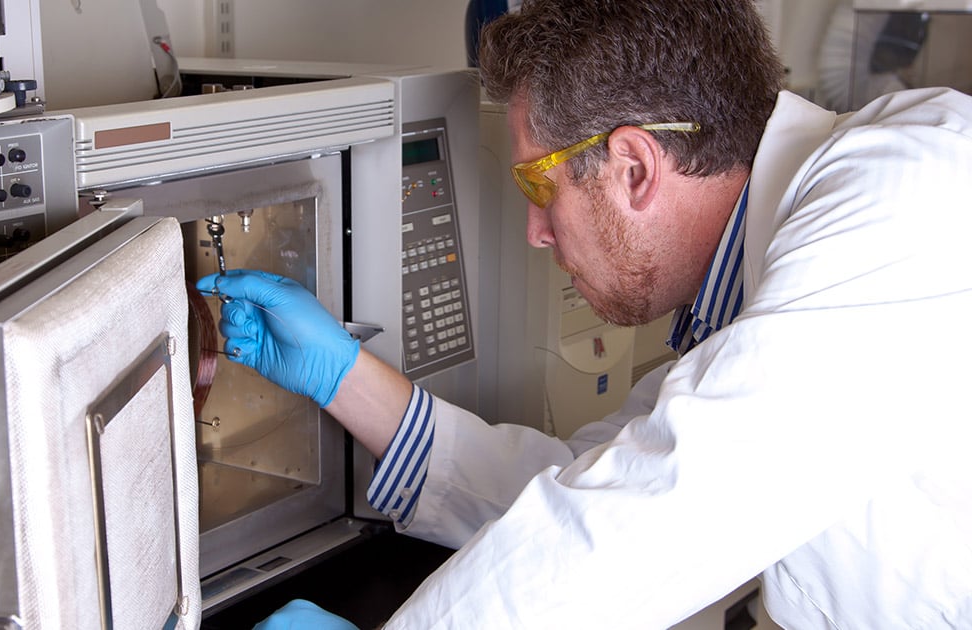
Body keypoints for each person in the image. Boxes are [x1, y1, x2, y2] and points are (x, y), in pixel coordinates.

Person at [198, 0, 972, 626]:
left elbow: (649, 520)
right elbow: (586, 488)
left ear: (634, 167)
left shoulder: (900, 199)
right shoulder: (762, 288)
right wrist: (344, 376)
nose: (536, 233)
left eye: (539, 187)